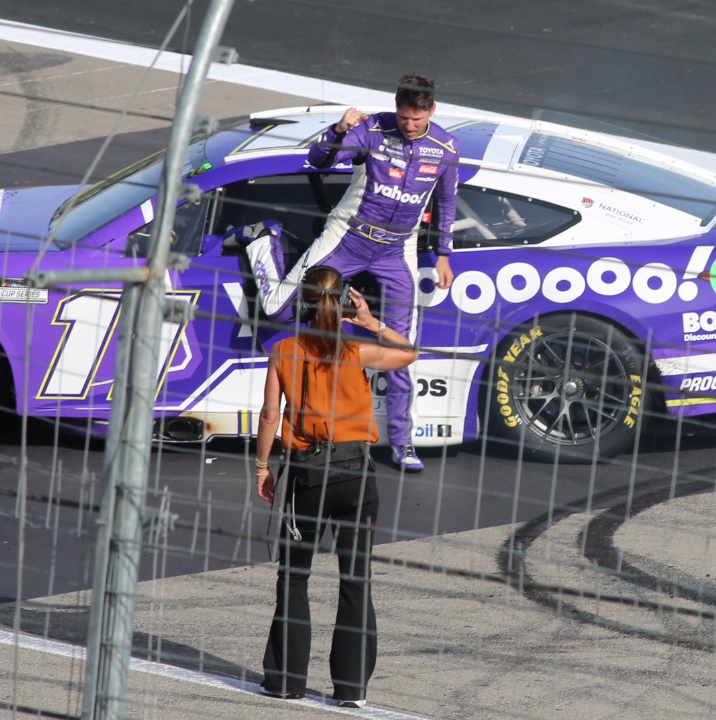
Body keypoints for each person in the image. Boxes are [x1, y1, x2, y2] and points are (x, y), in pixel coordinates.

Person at [243, 73, 460, 471]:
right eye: (404, 117)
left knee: (401, 347)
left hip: (398, 249)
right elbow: (318, 159)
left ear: (432, 110)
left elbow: (446, 202)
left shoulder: (445, 147)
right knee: (277, 309)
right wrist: (340, 129)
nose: (409, 126)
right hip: (347, 236)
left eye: (417, 118)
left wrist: (444, 254)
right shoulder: (373, 129)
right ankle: (263, 239)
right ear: (396, 108)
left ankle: (402, 441)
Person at [254, 265, 418, 708]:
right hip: (356, 475)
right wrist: (369, 321)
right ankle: (351, 690)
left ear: (301, 301)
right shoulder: (357, 349)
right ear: (343, 299)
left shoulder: (284, 349)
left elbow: (271, 415)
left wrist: (262, 467)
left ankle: (285, 681)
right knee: (355, 580)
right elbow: (408, 354)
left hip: (307, 475)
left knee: (294, 578)